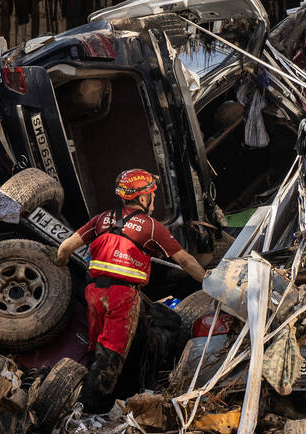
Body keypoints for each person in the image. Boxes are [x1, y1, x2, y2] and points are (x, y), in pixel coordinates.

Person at [54, 169, 207, 409]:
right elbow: (186, 261)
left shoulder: (101, 219)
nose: (153, 200)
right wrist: (208, 281)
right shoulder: (151, 227)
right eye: (152, 195)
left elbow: (64, 249)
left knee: (96, 349)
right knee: (111, 357)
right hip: (121, 296)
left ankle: (90, 395)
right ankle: (89, 412)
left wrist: (59, 266)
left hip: (94, 292)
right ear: (143, 198)